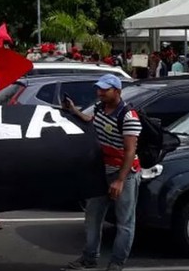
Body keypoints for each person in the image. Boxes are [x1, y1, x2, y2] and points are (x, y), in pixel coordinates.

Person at [61, 74, 141, 271]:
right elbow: (91, 121)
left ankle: (116, 264)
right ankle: (89, 258)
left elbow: (130, 151)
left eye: (105, 89)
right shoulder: (100, 108)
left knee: (124, 222)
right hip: (100, 172)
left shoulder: (128, 116)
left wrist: (120, 180)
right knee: (93, 217)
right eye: (99, 89)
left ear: (117, 91)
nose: (100, 92)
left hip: (123, 174)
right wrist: (73, 110)